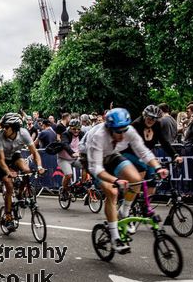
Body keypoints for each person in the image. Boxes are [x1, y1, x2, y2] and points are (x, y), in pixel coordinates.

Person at [86, 108, 168, 253]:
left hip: (112, 154)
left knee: (136, 179)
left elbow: (143, 152)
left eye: (124, 130)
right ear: (109, 129)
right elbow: (97, 168)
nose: (122, 135)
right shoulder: (98, 136)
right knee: (112, 193)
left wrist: (157, 167)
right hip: (91, 159)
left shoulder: (128, 130)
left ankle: (124, 211)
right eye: (118, 132)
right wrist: (116, 180)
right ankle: (115, 237)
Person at [0, 113, 45, 231]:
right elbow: (1, 160)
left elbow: (35, 152)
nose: (3, 129)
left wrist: (40, 166)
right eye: (3, 127)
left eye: (6, 127)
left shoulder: (24, 133)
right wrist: (9, 172)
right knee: (9, 185)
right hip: (0, 159)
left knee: (27, 170)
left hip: (14, 155)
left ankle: (20, 194)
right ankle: (8, 215)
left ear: (14, 127)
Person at [58, 119, 85, 198]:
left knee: (86, 166)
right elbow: (65, 144)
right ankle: (64, 190)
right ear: (70, 128)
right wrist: (72, 153)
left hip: (75, 158)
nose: (76, 131)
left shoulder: (82, 134)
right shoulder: (65, 134)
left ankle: (82, 184)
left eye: (78, 129)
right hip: (64, 159)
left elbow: (87, 143)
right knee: (69, 175)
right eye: (74, 129)